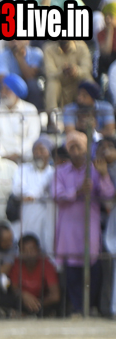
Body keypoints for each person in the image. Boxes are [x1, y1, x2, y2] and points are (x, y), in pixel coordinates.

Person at [53, 131, 115, 315]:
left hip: (90, 223)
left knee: (93, 263)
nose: (75, 151)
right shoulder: (60, 171)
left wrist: (103, 175)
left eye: (78, 147)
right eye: (71, 147)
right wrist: (77, 191)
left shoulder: (95, 169)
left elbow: (108, 195)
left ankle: (91, 306)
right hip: (68, 225)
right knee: (72, 266)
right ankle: (77, 308)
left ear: (86, 149)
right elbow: (56, 194)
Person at [14, 137, 55, 259]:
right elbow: (16, 189)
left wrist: (33, 195)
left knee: (48, 242)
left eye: (42, 150)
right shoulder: (23, 169)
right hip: (28, 214)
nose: (38, 154)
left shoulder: (53, 172)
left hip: (48, 214)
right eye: (35, 151)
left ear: (49, 153)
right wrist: (30, 194)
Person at [0, 73, 39, 162]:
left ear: (16, 93)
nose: (3, 93)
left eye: (7, 90)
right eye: (2, 89)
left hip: (24, 157)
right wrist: (3, 155)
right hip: (1, 159)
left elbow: (33, 137)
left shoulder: (30, 109)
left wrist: (17, 153)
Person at [8, 233, 61, 317]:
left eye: (32, 249)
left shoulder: (46, 264)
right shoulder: (17, 263)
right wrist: (24, 295)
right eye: (24, 250)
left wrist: (35, 303)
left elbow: (55, 296)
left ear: (38, 250)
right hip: (21, 300)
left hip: (42, 302)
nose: (28, 253)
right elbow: (14, 288)